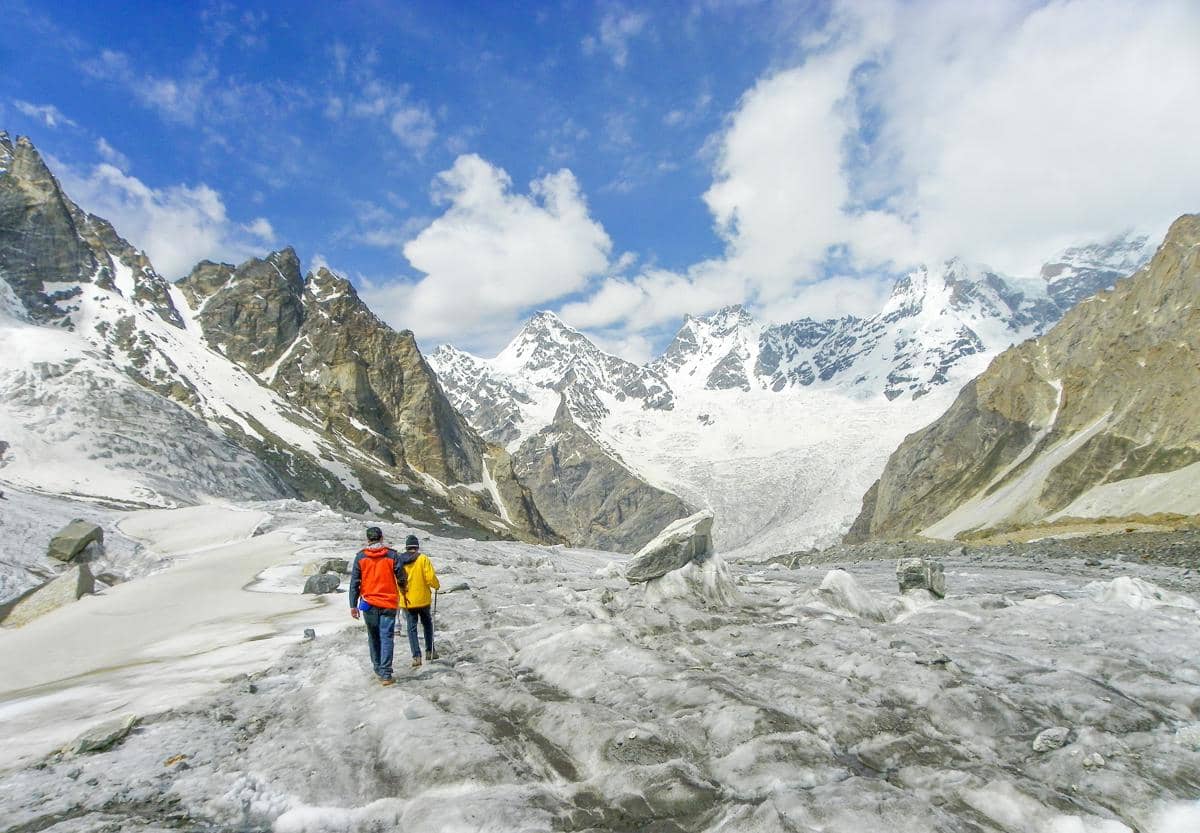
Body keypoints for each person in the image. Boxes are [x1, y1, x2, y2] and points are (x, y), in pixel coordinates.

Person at [348, 526, 407, 686]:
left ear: (368, 539)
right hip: (388, 603)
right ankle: (386, 673)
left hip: (369, 603)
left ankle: (378, 669)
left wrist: (353, 605)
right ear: (381, 538)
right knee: (387, 637)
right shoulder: (392, 555)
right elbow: (401, 576)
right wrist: (403, 590)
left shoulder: (360, 557)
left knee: (373, 637)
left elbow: (355, 582)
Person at [398, 534, 440, 667]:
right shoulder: (422, 559)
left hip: (407, 601)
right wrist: (436, 585)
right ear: (417, 547)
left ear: (406, 547)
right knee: (427, 624)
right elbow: (430, 577)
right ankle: (430, 651)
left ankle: (416, 656)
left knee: (411, 628)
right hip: (423, 599)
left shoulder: (399, 561)